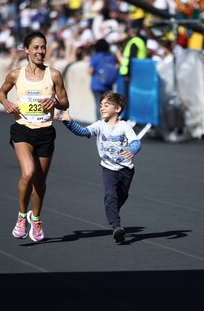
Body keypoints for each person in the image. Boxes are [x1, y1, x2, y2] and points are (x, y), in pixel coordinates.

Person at [0, 31, 69, 243]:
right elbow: (1, 92)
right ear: (26, 49)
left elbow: (65, 103)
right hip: (22, 130)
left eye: (43, 47)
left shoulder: (53, 75)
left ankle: (35, 219)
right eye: (36, 47)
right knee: (28, 173)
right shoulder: (15, 75)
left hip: (45, 132)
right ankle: (21, 217)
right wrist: (6, 103)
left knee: (40, 181)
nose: (40, 51)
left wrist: (54, 103)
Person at [57, 92, 141, 244]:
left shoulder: (125, 127)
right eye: (101, 105)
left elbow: (136, 142)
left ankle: (114, 211)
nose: (102, 108)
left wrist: (132, 150)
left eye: (106, 105)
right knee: (110, 196)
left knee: (121, 196)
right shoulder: (99, 125)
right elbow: (83, 132)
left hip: (126, 169)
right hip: (108, 168)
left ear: (118, 109)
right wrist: (69, 122)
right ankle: (116, 227)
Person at [89, 38, 118, 119]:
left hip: (96, 84)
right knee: (108, 105)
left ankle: (99, 124)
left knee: (99, 105)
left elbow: (90, 71)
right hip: (108, 84)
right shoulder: (111, 57)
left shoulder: (96, 57)